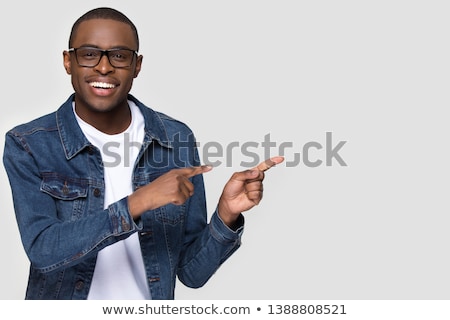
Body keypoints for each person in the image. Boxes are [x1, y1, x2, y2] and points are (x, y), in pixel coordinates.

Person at [2, 7, 284, 300]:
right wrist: (140, 201)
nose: (103, 67)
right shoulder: (28, 144)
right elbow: (43, 250)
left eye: (119, 56)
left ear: (136, 66)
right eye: (89, 54)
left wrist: (226, 214)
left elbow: (192, 274)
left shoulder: (175, 138)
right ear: (68, 61)